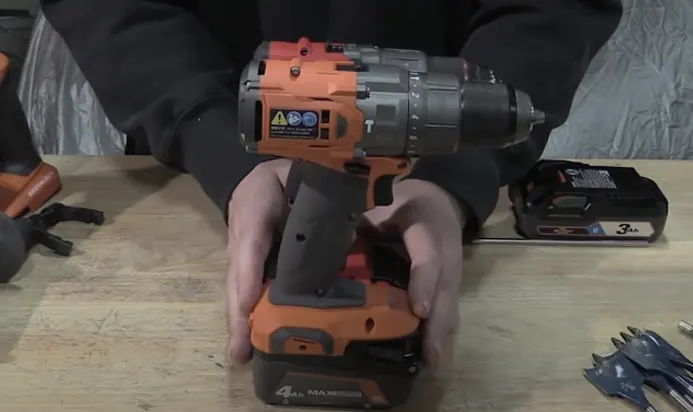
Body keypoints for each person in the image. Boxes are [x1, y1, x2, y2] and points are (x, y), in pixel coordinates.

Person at [39, 0, 622, 367]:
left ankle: (298, 295)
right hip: (206, 156)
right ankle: (297, 298)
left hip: (417, 158)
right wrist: (215, 140)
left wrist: (453, 175)